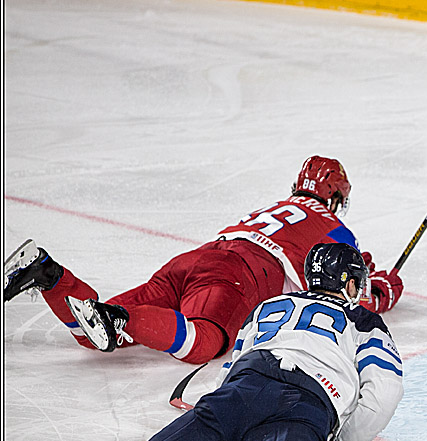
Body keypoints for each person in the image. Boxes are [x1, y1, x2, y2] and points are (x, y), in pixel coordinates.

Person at [21, 242, 404, 441]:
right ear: (351, 284)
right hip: (304, 402)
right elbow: (385, 390)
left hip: (242, 385)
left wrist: (228, 403)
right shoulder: (364, 322)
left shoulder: (270, 306)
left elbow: (232, 363)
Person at [3, 156, 404, 365]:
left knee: (92, 331)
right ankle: (122, 319)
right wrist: (384, 288)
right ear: (336, 196)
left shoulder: (279, 206)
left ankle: (49, 275)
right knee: (205, 341)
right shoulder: (334, 227)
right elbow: (348, 291)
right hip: (236, 276)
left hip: (196, 260)